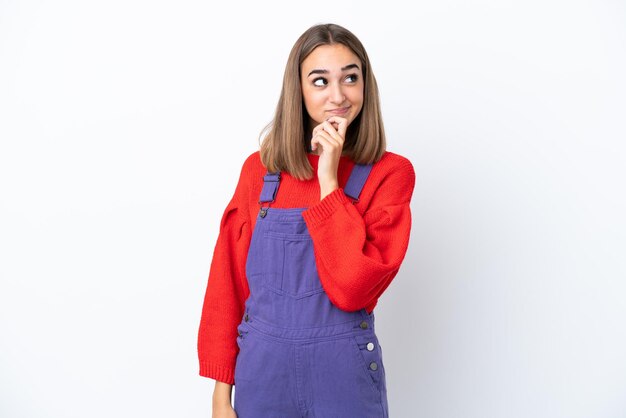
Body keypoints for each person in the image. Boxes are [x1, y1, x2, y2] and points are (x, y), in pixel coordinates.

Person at [197, 23, 415, 417]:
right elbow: (227, 285)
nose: (338, 96)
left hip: (342, 378)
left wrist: (328, 180)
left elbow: (351, 289)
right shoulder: (259, 172)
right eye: (320, 81)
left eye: (351, 77)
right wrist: (220, 393)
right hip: (262, 376)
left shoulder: (389, 174)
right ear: (297, 89)